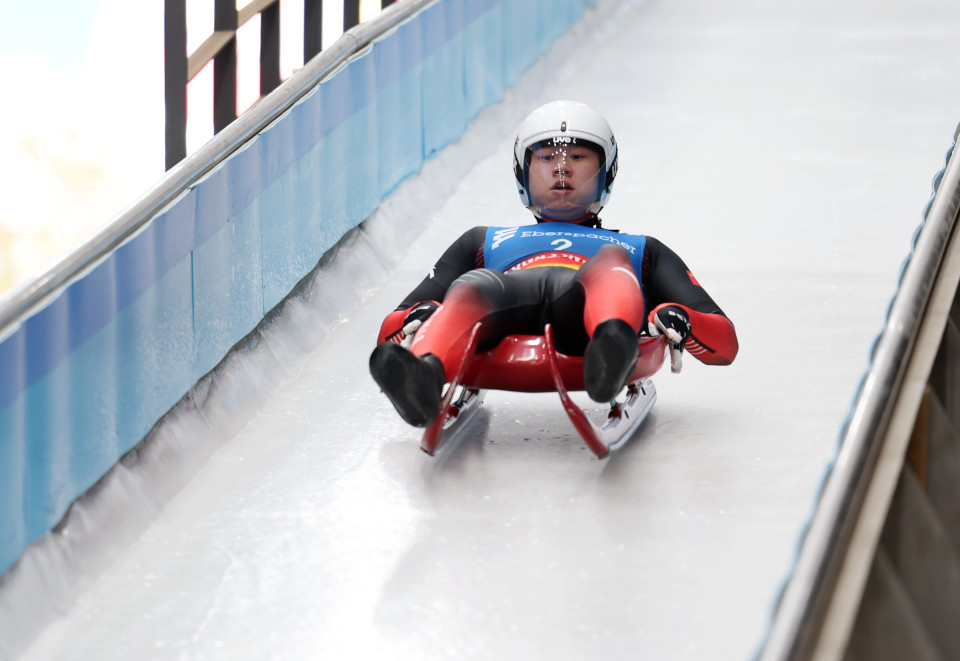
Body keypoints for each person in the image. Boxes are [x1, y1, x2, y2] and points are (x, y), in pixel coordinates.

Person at [370, 100, 738, 427]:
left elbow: (724, 341)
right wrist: (419, 315)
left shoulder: (640, 249)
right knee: (472, 285)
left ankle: (611, 349)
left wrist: (679, 317)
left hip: (583, 309)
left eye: (577, 158)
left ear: (604, 171)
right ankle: (423, 377)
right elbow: (390, 326)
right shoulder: (484, 240)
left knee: (611, 263)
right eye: (547, 158)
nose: (562, 170)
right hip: (503, 305)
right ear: (524, 172)